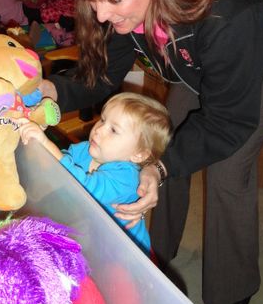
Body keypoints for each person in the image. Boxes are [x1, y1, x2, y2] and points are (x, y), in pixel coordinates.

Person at [39, 0, 263, 304]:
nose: (102, 15)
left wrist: (157, 168)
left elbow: (227, 123)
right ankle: (154, 256)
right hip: (206, 56)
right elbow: (104, 75)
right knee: (165, 140)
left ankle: (234, 289)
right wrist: (50, 92)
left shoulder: (228, 13)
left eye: (114, 1)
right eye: (94, 2)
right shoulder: (127, 2)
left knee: (226, 167)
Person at [19, 91, 172, 255]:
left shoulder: (127, 178)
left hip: (124, 251)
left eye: (113, 130)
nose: (99, 130)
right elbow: (58, 163)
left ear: (139, 154)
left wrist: (44, 141)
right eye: (103, 120)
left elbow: (86, 187)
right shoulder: (86, 149)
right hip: (92, 234)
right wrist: (38, 145)